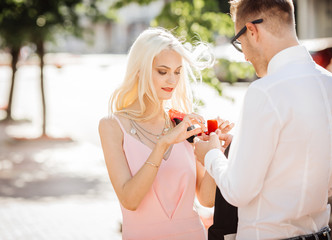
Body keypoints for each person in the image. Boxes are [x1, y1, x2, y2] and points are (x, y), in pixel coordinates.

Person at [194, 0, 332, 240]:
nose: (245, 56)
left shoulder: (264, 91)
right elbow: (329, 182)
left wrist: (211, 153)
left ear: (252, 30)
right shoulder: (331, 85)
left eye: (240, 43)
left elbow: (237, 191)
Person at [98, 27, 233, 240]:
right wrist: (163, 143)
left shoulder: (183, 124)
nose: (172, 80)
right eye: (163, 71)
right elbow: (130, 200)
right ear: (140, 70)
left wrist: (217, 151)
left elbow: (206, 199)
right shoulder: (112, 126)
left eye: (177, 71)